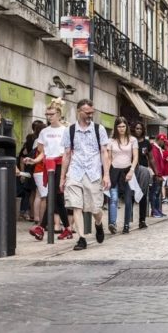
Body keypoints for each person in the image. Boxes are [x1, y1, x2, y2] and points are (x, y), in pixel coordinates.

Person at [59, 99, 110, 251]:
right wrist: (62, 177)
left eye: (91, 113)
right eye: (87, 113)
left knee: (95, 209)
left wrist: (106, 174)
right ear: (79, 111)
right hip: (75, 172)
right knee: (76, 206)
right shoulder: (70, 130)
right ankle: (81, 238)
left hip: (93, 173)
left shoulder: (98, 129)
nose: (90, 115)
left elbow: (104, 153)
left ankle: (99, 224)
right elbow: (66, 154)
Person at [26, 100, 72, 240]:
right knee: (57, 198)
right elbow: (42, 152)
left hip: (61, 165)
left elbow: (69, 151)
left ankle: (41, 226)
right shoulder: (44, 132)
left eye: (51, 114)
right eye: (47, 114)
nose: (48, 117)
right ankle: (67, 229)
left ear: (58, 114)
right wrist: (34, 160)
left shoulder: (66, 130)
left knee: (53, 196)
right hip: (49, 165)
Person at [107, 117, 138, 234]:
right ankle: (112, 223)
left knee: (128, 199)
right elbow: (109, 158)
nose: (121, 129)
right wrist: (106, 173)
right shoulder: (111, 141)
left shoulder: (133, 140)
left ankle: (126, 225)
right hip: (114, 171)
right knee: (113, 198)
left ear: (127, 127)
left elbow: (135, 157)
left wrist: (131, 171)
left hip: (127, 171)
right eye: (119, 126)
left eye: (123, 126)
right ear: (116, 127)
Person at [133, 122, 155, 229]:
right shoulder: (130, 141)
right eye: (136, 128)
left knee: (143, 195)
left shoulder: (146, 143)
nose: (138, 130)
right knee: (130, 195)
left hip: (144, 172)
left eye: (140, 128)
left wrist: (156, 172)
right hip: (131, 171)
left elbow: (151, 158)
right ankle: (127, 221)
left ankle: (142, 220)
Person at [150, 133, 167, 218]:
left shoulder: (158, 148)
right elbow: (155, 162)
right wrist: (158, 174)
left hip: (160, 174)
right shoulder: (154, 148)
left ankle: (158, 209)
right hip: (157, 175)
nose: (164, 143)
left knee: (158, 193)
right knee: (155, 193)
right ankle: (154, 211)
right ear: (160, 140)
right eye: (163, 141)